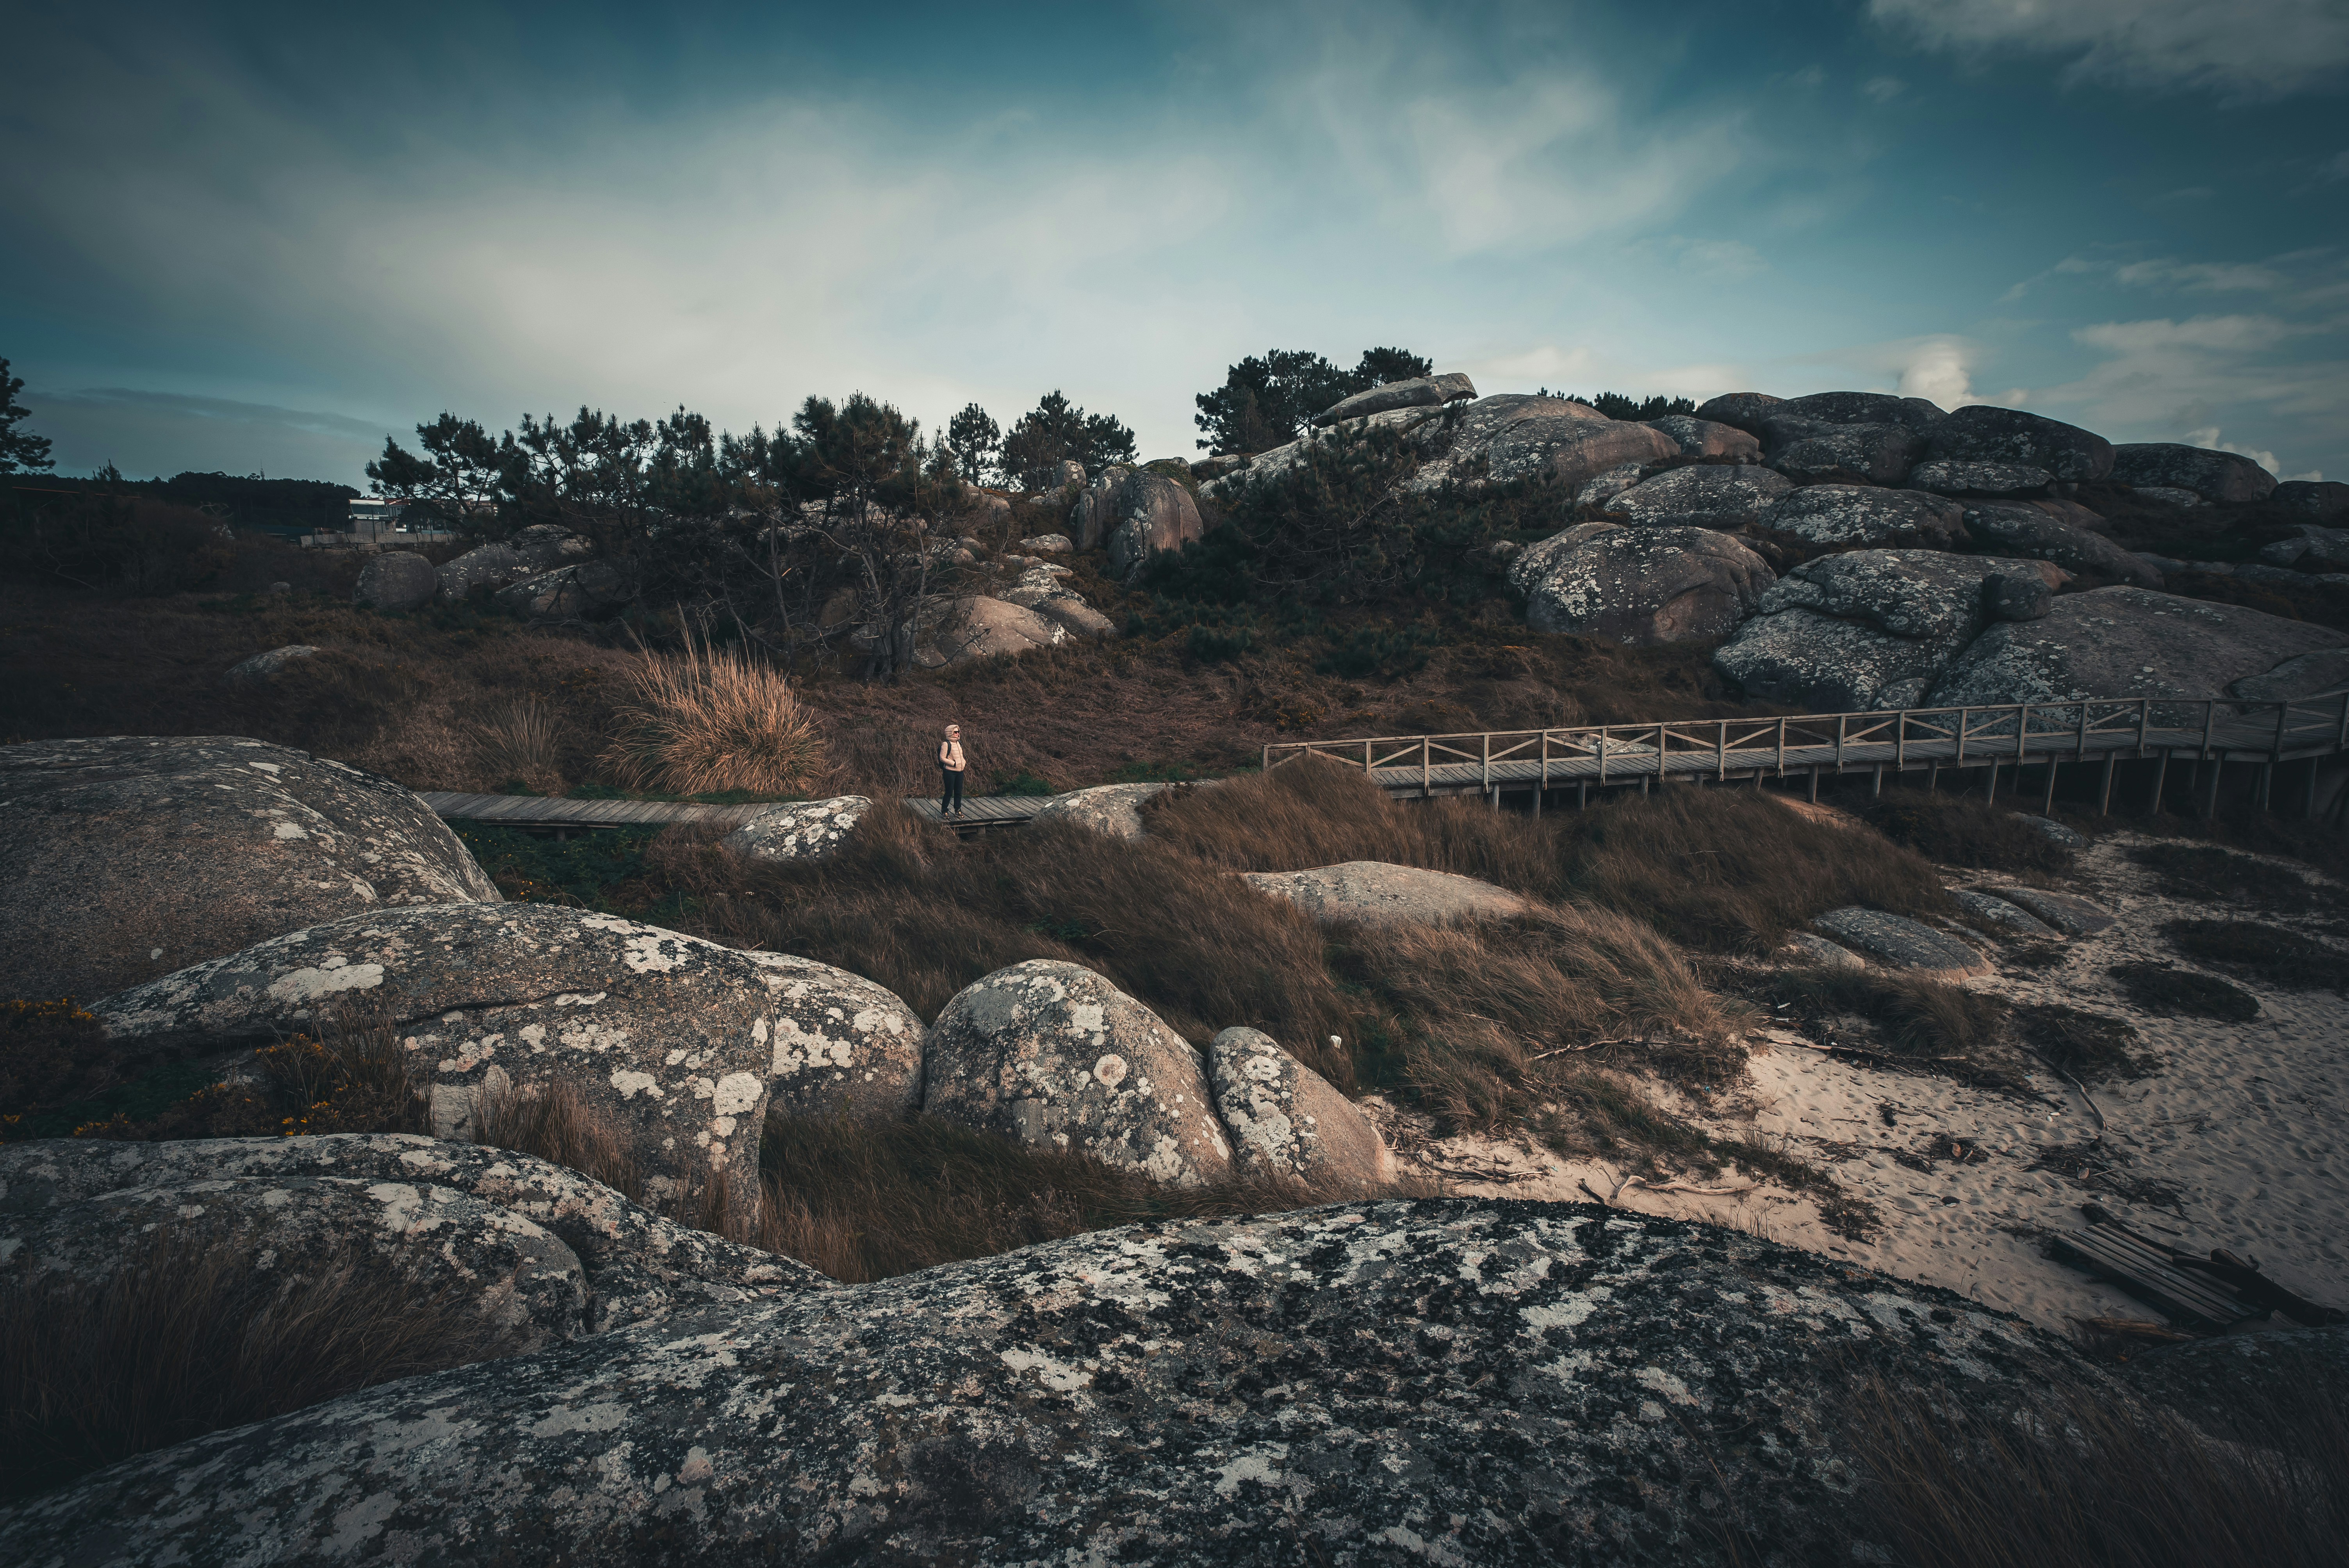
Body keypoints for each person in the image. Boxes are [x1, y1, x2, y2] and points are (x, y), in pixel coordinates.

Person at [938, 723, 966, 818]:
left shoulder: (959, 743)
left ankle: (958, 810)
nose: (958, 734)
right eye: (956, 732)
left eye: (958, 732)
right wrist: (954, 764)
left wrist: (964, 762)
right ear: (950, 733)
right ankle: (945, 811)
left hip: (960, 772)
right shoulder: (946, 744)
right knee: (949, 792)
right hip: (950, 772)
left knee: (959, 792)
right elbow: (942, 758)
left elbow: (961, 756)